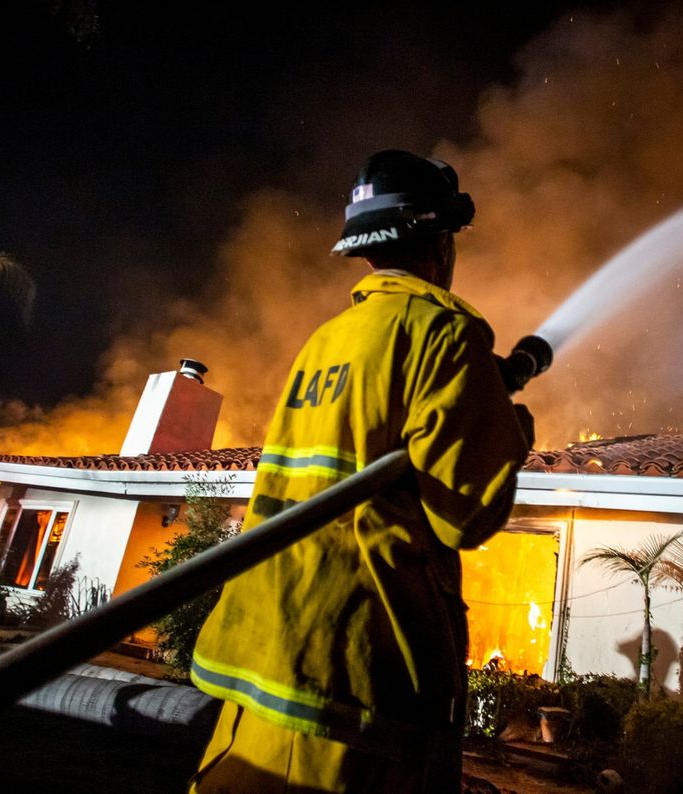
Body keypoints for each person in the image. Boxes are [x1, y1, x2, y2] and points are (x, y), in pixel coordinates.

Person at [189, 149, 534, 793]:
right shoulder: (444, 333)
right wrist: (509, 435)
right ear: (440, 240)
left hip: (259, 670)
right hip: (348, 698)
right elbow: (464, 515)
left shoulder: (326, 339)